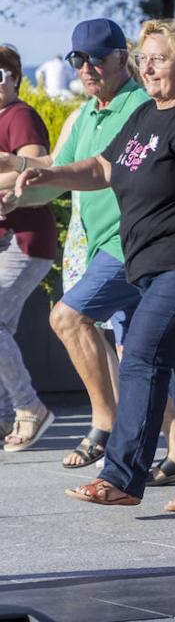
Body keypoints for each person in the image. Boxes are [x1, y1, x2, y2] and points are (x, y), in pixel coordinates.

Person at [14, 18, 175, 513]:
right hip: (155, 265)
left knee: (141, 353)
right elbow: (103, 167)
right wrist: (49, 173)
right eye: (144, 58)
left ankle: (121, 476)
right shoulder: (148, 114)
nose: (148, 66)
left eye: (158, 58)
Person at [0, 45, 58, 451]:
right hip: (10, 240)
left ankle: (28, 407)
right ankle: (6, 417)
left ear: (15, 78)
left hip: (25, 240)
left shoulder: (19, 116)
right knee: (5, 331)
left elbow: (37, 171)